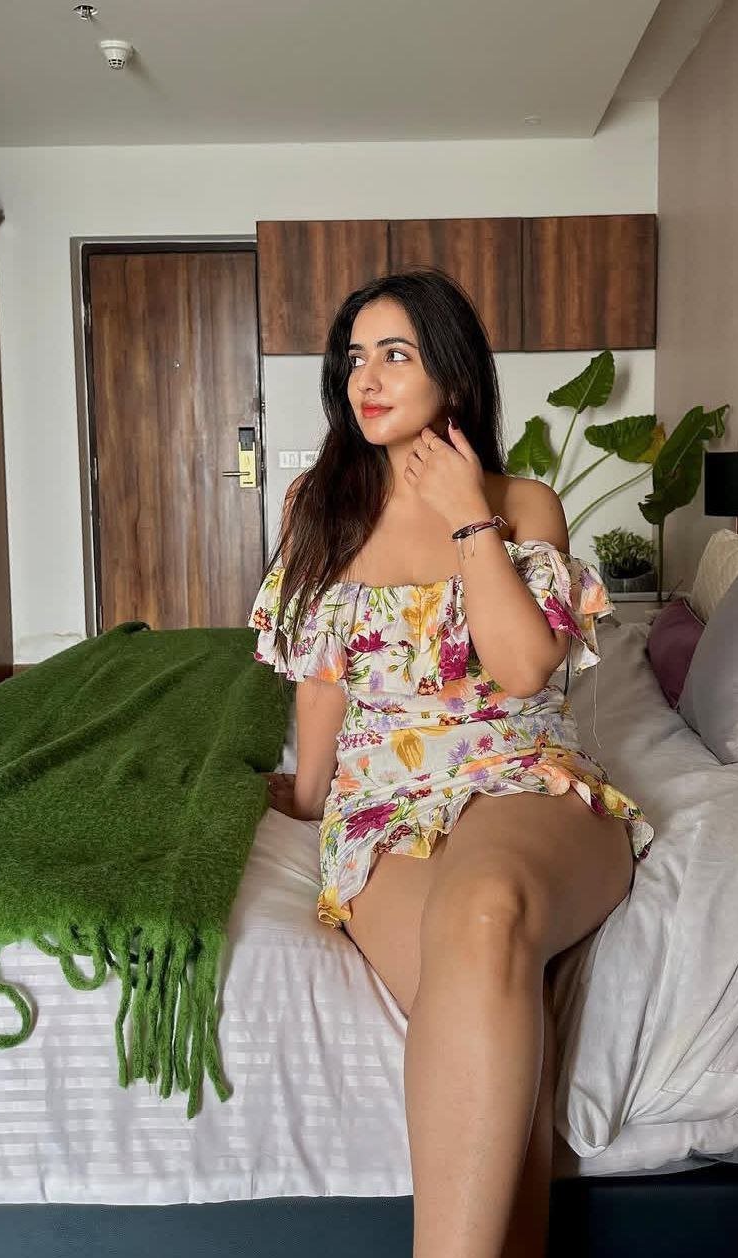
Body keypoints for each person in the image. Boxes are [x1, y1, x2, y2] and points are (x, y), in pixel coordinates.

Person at [247, 266, 653, 1258]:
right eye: (356, 358)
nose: (367, 378)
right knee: (485, 995)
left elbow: (523, 670)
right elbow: (322, 682)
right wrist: (306, 797)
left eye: (397, 354)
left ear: (454, 378)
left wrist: (472, 518)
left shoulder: (524, 502)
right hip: (383, 804)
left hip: (522, 775)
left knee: (484, 915)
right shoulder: (319, 505)